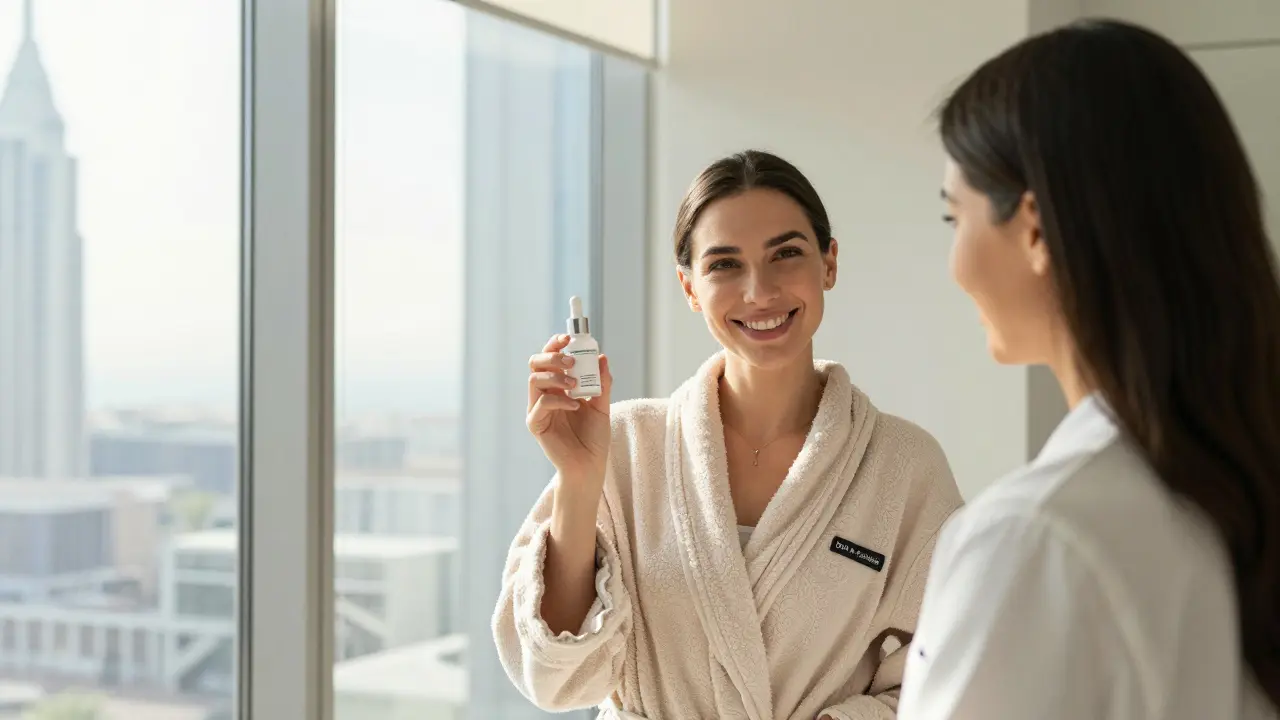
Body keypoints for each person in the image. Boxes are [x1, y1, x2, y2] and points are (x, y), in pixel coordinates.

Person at [493, 150, 965, 720]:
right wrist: (578, 475)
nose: (759, 291)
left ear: (829, 264)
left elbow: (953, 668)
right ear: (690, 287)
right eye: (724, 265)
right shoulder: (628, 445)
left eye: (786, 253)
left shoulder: (903, 466)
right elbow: (555, 679)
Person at [898, 19, 1280, 720]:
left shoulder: (1036, 536)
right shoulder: (1238, 487)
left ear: (1035, 228)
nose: (953, 265)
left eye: (956, 219)